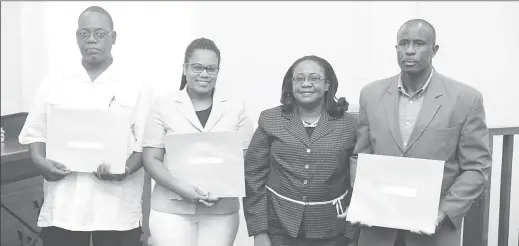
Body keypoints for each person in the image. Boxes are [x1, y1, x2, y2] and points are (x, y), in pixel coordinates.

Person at [347, 19, 492, 246]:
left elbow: (476, 168)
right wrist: (363, 201)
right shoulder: (371, 94)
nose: (410, 51)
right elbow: (360, 156)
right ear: (396, 49)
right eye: (403, 44)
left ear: (434, 50)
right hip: (378, 228)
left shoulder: (465, 98)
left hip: (434, 229)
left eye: (419, 44)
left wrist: (445, 212)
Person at [18, 6, 150, 246]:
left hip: (116, 208)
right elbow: (35, 133)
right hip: (64, 205)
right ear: (77, 37)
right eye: (84, 33)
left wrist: (126, 170)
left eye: (100, 33)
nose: (91, 40)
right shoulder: (54, 82)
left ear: (113, 38)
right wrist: (40, 162)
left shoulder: (135, 85)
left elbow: (146, 144)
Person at [141, 37, 254, 246]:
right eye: (197, 67)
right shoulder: (163, 105)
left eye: (211, 69)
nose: (204, 74)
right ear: (185, 69)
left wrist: (221, 188)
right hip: (170, 210)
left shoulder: (236, 107)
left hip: (221, 211)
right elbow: (151, 159)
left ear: (218, 71)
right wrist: (181, 188)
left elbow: (247, 156)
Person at [243, 55, 357, 246]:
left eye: (314, 78)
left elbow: (359, 180)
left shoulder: (349, 125)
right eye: (299, 78)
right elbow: (253, 175)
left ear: (327, 84)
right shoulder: (271, 119)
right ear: (291, 84)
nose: (306, 84)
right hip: (278, 229)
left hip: (333, 230)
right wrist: (259, 231)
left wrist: (353, 233)